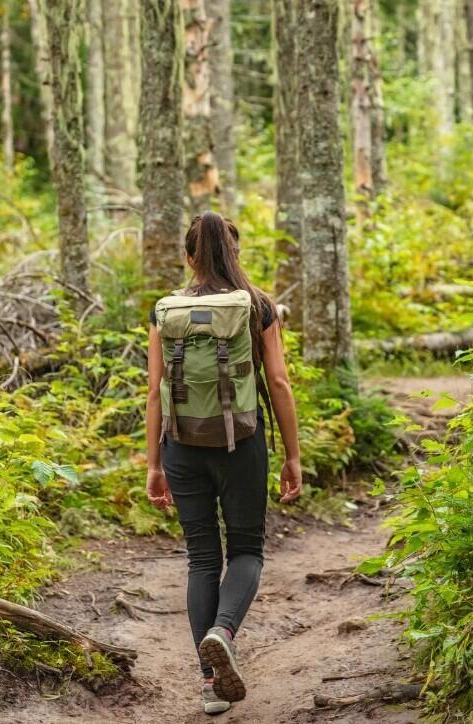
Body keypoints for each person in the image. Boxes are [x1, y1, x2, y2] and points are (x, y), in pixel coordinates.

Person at [145, 212, 303, 715]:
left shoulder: (166, 311)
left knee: (201, 559)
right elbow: (277, 383)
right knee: (247, 550)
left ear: (188, 257)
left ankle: (211, 682)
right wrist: (294, 456)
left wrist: (154, 464)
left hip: (182, 444)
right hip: (242, 444)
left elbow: (154, 392)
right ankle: (224, 631)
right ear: (235, 255)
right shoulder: (257, 306)